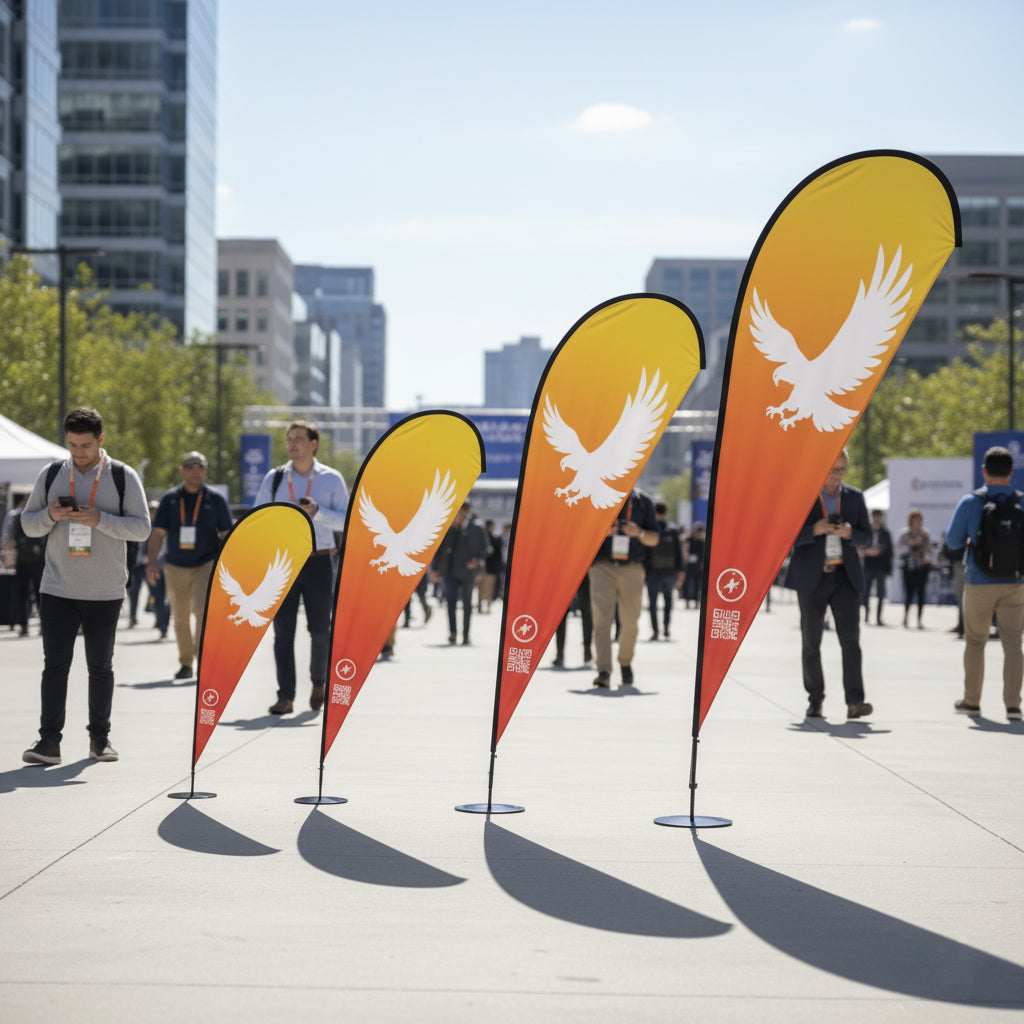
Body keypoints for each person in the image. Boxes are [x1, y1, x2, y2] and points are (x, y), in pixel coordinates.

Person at [20, 406, 150, 765]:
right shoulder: (50, 475)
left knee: (100, 667)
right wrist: (51, 515)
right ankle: (49, 743)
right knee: (55, 666)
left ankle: (100, 740)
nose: (79, 453)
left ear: (101, 440)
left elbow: (141, 528)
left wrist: (100, 519)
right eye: (74, 445)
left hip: (104, 590)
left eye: (87, 446)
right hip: (57, 587)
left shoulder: (123, 476)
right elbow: (28, 525)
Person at [253, 421, 349, 714]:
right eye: (289, 439)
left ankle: (319, 681)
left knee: (320, 630)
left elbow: (348, 520)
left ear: (313, 444)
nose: (292, 444)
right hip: (284, 563)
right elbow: (259, 517)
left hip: (319, 560)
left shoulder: (331, 479)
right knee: (283, 633)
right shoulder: (275, 478)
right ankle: (286, 696)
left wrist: (317, 513)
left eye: (298, 439)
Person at [784, 450, 873, 719]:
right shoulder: (804, 495)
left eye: (841, 470)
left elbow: (867, 537)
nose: (837, 476)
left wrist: (851, 533)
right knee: (811, 641)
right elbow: (787, 537)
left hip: (844, 577)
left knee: (851, 641)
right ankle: (815, 698)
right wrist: (815, 529)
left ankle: (855, 701)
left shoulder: (855, 497)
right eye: (832, 470)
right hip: (812, 578)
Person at [944, 446, 1024, 720]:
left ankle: (972, 701)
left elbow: (953, 541)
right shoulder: (1021, 502)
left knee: (975, 641)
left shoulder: (970, 502)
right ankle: (1013, 705)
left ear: (984, 471)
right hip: (1015, 582)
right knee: (1013, 643)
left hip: (979, 581)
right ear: (1011, 473)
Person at [147, 452, 232, 678]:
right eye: (190, 467)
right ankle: (186, 663)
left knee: (202, 610)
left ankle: (203, 661)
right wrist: (151, 563)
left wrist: (232, 566)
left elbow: (226, 534)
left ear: (205, 471)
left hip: (206, 563)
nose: (195, 471)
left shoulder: (215, 499)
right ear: (182, 471)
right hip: (175, 565)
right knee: (180, 615)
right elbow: (157, 534)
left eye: (200, 467)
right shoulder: (170, 499)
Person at [588, 487, 659, 688]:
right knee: (602, 621)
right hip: (602, 566)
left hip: (632, 568)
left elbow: (654, 538)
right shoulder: (596, 494)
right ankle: (603, 670)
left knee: (631, 622)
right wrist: (601, 532)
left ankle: (625, 662)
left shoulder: (643, 501)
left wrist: (639, 533)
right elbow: (580, 532)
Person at [431, 501, 488, 645]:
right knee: (450, 604)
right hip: (449, 571)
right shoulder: (447, 526)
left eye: (463, 513)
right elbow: (438, 550)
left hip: (468, 572)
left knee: (468, 605)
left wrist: (478, 561)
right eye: (458, 513)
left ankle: (465, 635)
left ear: (467, 512)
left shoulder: (476, 527)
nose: (460, 516)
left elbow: (485, 548)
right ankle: (452, 633)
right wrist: (434, 569)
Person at [2, 494, 46, 637]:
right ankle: (39, 625)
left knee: (24, 595)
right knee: (38, 595)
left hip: (26, 561)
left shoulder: (16, 516)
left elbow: (8, 540)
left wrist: (9, 559)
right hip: (37, 561)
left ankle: (25, 625)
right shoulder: (42, 514)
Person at [129, 500, 170, 637]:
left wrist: (152, 558)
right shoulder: (142, 524)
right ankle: (133, 617)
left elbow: (164, 546)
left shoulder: (162, 526)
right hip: (138, 565)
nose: (153, 513)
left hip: (158, 565)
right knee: (134, 592)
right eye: (151, 510)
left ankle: (162, 623)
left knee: (160, 595)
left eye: (155, 511)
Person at [645, 500, 684, 640]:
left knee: (653, 603)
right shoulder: (672, 529)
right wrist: (680, 570)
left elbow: (646, 551)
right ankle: (666, 629)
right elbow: (678, 552)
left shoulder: (651, 529)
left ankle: (655, 631)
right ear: (666, 512)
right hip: (670, 571)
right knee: (668, 601)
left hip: (652, 572)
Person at [895, 509, 933, 629]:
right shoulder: (904, 534)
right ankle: (906, 617)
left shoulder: (925, 534)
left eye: (919, 520)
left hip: (922, 568)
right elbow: (898, 550)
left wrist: (924, 548)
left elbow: (930, 551)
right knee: (908, 593)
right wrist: (909, 545)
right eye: (915, 520)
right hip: (909, 568)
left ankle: (919, 619)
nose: (917, 523)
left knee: (921, 593)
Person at [552, 574, 593, 668]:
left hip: (571, 569)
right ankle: (587, 653)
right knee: (584, 613)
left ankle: (561, 654)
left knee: (585, 612)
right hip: (575, 570)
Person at [861, 509, 894, 625]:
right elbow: (860, 547)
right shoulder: (867, 531)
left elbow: (889, 552)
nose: (877, 519)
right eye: (875, 516)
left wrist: (889, 568)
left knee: (880, 593)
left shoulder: (886, 533)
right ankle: (866, 613)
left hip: (881, 566)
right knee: (865, 592)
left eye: (879, 517)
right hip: (869, 565)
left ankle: (879, 617)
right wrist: (867, 552)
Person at [477, 520, 504, 613]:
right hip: (484, 568)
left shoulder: (494, 539)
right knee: (483, 589)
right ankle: (482, 606)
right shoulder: (485, 538)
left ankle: (485, 606)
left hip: (489, 568)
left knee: (488, 589)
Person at [682, 522, 705, 609]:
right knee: (687, 582)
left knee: (696, 584)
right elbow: (684, 544)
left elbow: (703, 554)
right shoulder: (689, 539)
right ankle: (687, 601)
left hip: (697, 566)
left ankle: (696, 602)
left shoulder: (702, 541)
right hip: (689, 565)